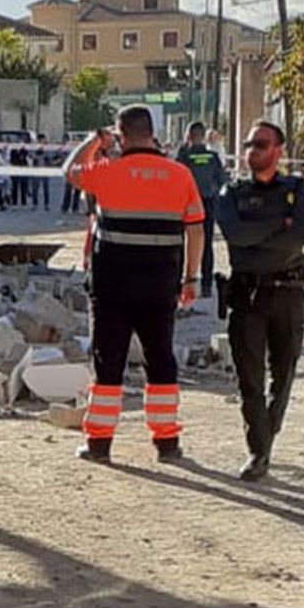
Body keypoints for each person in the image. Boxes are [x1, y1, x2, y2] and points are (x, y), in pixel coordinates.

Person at [64, 105, 204, 465]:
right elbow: (195, 228)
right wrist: (191, 277)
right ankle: (167, 442)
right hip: (160, 286)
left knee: (108, 361)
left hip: (112, 288)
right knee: (160, 359)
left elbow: (69, 172)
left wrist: (94, 142)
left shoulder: (107, 170)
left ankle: (99, 443)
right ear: (152, 132)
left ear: (121, 135)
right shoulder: (179, 174)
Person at [215, 121, 304, 482]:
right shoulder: (232, 192)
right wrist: (279, 225)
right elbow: (236, 235)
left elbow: (302, 235)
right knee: (249, 377)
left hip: (287, 292)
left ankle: (267, 432)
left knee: (284, 371)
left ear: (279, 151)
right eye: (248, 144)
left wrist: (263, 234)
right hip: (247, 294)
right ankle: (258, 450)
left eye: (260, 144)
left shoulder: (296, 189)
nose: (252, 150)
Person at [177, 122, 229, 301]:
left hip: (186, 204)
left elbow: (177, 177)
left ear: (189, 136)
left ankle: (181, 280)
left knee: (182, 243)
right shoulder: (212, 157)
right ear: (203, 136)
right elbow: (222, 180)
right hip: (207, 203)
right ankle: (206, 284)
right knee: (206, 244)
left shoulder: (184, 156)